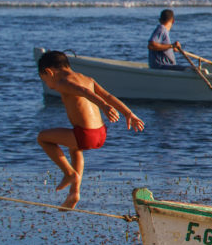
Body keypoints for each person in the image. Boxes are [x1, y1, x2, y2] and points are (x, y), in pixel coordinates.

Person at [36, 50, 145, 209]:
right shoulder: (87, 78)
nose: (47, 85)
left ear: (49, 72)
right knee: (75, 149)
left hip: (86, 134)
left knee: (42, 138)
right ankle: (74, 193)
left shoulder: (62, 83)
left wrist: (104, 106)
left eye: (44, 80)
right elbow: (108, 95)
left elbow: (84, 92)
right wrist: (129, 113)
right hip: (100, 133)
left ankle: (69, 173)